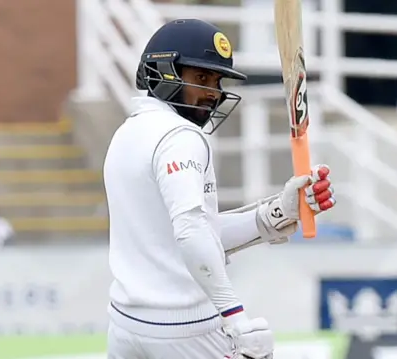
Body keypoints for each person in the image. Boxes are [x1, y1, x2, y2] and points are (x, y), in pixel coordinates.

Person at [103, 19, 336, 359]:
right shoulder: (181, 137)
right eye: (200, 78)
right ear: (164, 70)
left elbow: (179, 235)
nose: (212, 93)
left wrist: (275, 214)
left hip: (126, 325)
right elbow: (190, 230)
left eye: (216, 81)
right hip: (185, 328)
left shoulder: (127, 133)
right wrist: (235, 316)